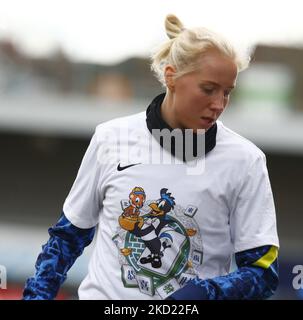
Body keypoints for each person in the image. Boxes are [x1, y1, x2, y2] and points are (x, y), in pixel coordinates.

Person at [23, 14, 279, 300]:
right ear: (171, 76)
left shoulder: (246, 161)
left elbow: (263, 273)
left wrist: (203, 294)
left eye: (227, 92)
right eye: (208, 90)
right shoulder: (110, 138)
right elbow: (66, 239)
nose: (219, 104)